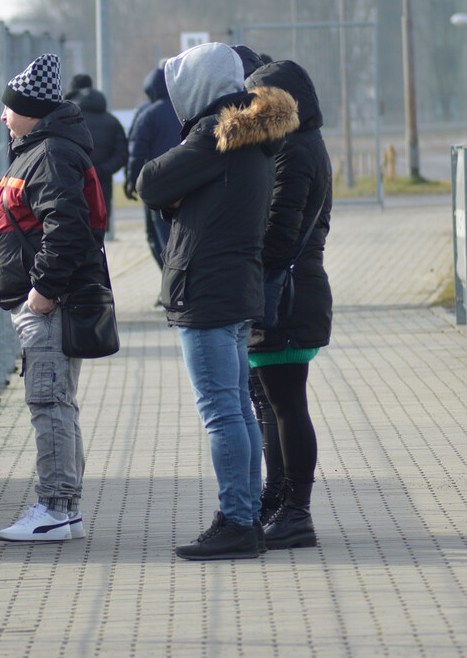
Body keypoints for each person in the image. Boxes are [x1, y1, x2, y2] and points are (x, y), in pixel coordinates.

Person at [137, 43, 299, 560]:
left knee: (222, 412)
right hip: (233, 288)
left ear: (199, 89)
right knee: (238, 410)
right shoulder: (251, 138)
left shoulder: (214, 137)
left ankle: (236, 520)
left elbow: (149, 181)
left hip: (206, 290)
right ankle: (245, 515)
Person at [0, 54, 108, 542]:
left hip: (47, 306)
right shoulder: (41, 149)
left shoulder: (50, 153)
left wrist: (43, 291)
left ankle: (56, 507)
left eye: (9, 108)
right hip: (42, 303)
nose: (2, 116)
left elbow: (68, 228)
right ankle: (64, 505)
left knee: (48, 403)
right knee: (56, 403)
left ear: (31, 110)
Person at [243, 60, 333, 550]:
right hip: (286, 292)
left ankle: (296, 509)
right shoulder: (299, 145)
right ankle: (277, 499)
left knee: (286, 405)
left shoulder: (294, 150)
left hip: (289, 295)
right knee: (270, 405)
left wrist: (244, 257)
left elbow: (281, 234)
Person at [125, 65, 181, 271]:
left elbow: (137, 152)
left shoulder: (147, 115)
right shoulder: (184, 110)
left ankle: (171, 283)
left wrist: (132, 182)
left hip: (157, 187)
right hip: (188, 184)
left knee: (159, 238)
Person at [65, 73, 128, 238]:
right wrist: (101, 170)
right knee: (96, 239)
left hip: (70, 185)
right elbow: (122, 154)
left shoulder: (65, 120)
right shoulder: (112, 121)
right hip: (102, 186)